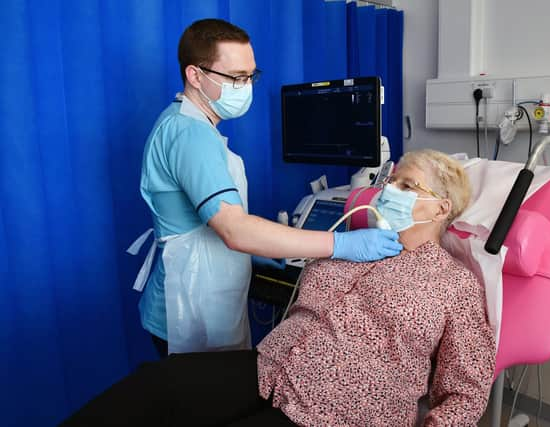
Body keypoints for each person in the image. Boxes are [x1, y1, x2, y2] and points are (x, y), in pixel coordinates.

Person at [64, 149, 496, 427]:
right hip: (269, 367)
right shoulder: (349, 244)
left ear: (441, 207)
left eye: (406, 185)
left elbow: (467, 387)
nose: (388, 191)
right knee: (155, 384)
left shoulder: (452, 283)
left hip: (342, 408)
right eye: (391, 181)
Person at [129, 18, 402, 356]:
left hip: (192, 288)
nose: (247, 87)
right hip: (190, 305)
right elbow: (233, 229)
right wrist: (341, 243)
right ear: (195, 75)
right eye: (237, 78)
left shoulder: (182, 122)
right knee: (206, 404)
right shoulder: (191, 134)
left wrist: (265, 249)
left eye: (251, 76)